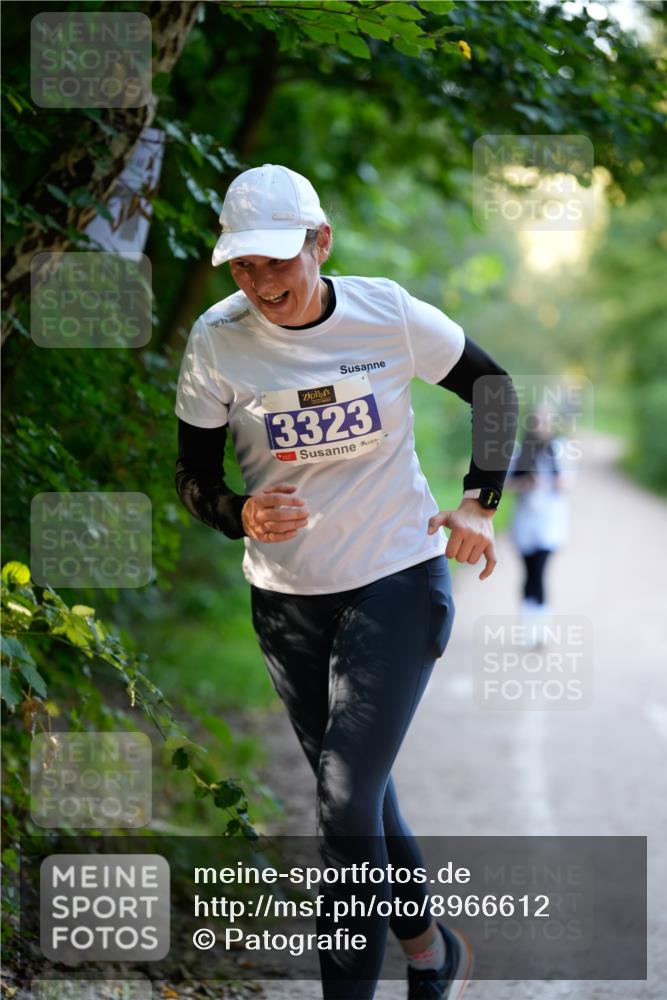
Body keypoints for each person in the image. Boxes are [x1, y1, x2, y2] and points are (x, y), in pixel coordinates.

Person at [174, 164, 518, 1000]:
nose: (260, 285)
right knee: (356, 797)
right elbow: (190, 475)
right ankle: (431, 949)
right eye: (242, 268)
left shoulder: (385, 313)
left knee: (341, 795)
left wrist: (479, 502)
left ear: (318, 244)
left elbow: (494, 390)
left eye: (276, 263)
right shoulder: (218, 340)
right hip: (286, 600)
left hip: (397, 576)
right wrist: (237, 513)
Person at [508, 405, 571, 646]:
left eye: (545, 421)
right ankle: (528, 628)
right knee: (528, 574)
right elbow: (508, 484)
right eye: (537, 421)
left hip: (550, 523)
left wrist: (552, 481)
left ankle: (540, 630)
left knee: (539, 573)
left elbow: (567, 483)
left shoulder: (559, 449)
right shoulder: (520, 452)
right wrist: (526, 482)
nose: (540, 426)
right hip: (525, 522)